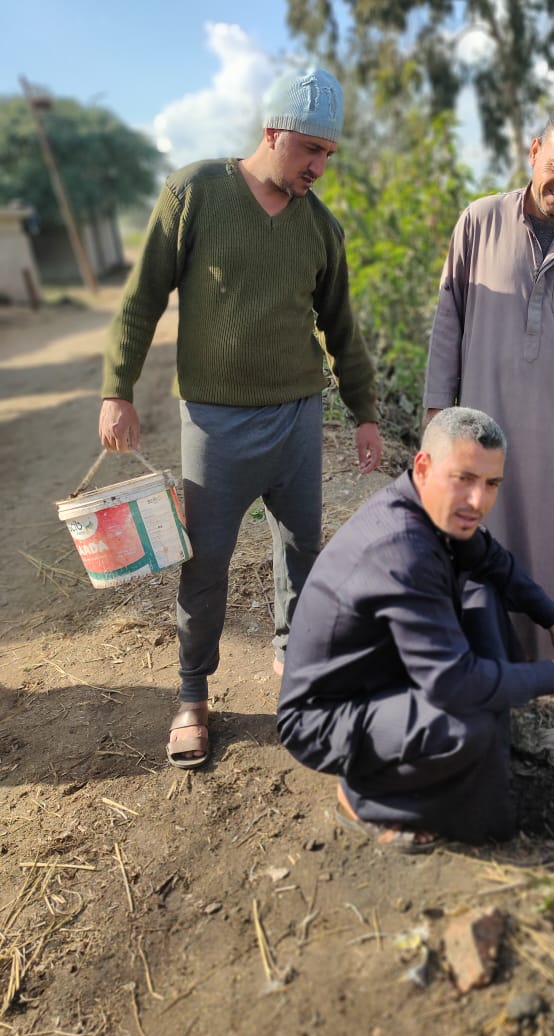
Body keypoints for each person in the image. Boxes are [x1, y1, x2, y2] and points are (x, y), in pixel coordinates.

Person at [99, 66, 382, 770]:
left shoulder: (323, 229)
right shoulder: (195, 194)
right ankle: (193, 695)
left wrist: (365, 412)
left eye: (329, 155)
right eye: (309, 151)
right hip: (216, 426)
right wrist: (117, 388)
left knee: (303, 552)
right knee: (205, 564)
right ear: (272, 133)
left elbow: (341, 329)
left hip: (297, 418)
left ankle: (297, 671)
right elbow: (141, 301)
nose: (319, 167)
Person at [276, 407, 554, 849]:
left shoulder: (430, 508)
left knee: (483, 597)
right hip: (325, 717)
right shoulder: (401, 550)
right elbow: (451, 683)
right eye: (464, 478)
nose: (477, 501)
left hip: (382, 669)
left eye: (491, 484)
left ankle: (471, 766)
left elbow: (495, 564)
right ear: (424, 467)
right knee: (465, 727)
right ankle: (368, 797)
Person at [423, 106, 554, 661]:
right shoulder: (479, 221)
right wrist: (435, 413)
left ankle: (553, 673)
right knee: (477, 536)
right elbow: (449, 320)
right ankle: (480, 663)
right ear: (534, 151)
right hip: (482, 422)